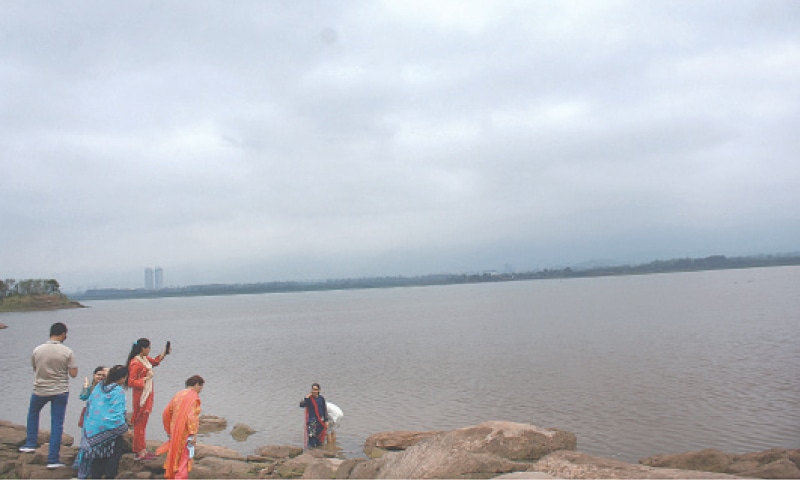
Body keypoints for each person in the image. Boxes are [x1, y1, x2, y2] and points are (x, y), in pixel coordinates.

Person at [19, 322, 78, 469]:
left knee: (33, 413)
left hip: (40, 389)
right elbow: (73, 374)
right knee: (56, 424)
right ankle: (53, 459)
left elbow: (35, 368)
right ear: (63, 334)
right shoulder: (67, 351)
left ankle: (30, 444)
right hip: (60, 391)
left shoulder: (37, 350)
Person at [75, 365, 129, 479]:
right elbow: (118, 414)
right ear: (122, 378)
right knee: (111, 464)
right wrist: (125, 429)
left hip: (94, 431)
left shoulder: (99, 387)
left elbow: (91, 406)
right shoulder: (118, 391)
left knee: (96, 464)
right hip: (111, 434)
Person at [126, 337, 169, 460]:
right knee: (140, 423)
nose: (150, 350)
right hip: (141, 397)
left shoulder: (144, 360)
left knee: (143, 423)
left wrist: (164, 352)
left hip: (147, 394)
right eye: (148, 348)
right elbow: (131, 381)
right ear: (142, 348)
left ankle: (141, 449)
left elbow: (155, 362)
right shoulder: (135, 363)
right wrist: (146, 378)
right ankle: (140, 451)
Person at [156, 375, 205, 479]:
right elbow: (191, 417)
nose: (200, 390)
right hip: (185, 433)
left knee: (174, 457)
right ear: (196, 385)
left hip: (175, 431)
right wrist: (193, 434)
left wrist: (169, 430)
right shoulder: (193, 397)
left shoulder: (178, 394)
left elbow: (166, 413)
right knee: (184, 459)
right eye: (201, 387)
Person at [299, 382, 327, 448]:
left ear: (319, 390)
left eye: (316, 389)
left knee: (320, 439)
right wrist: (306, 398)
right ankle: (310, 453)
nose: (314, 391)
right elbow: (302, 405)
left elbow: (324, 409)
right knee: (311, 438)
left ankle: (319, 452)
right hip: (312, 422)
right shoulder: (309, 399)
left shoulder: (321, 399)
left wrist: (326, 420)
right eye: (313, 389)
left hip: (320, 421)